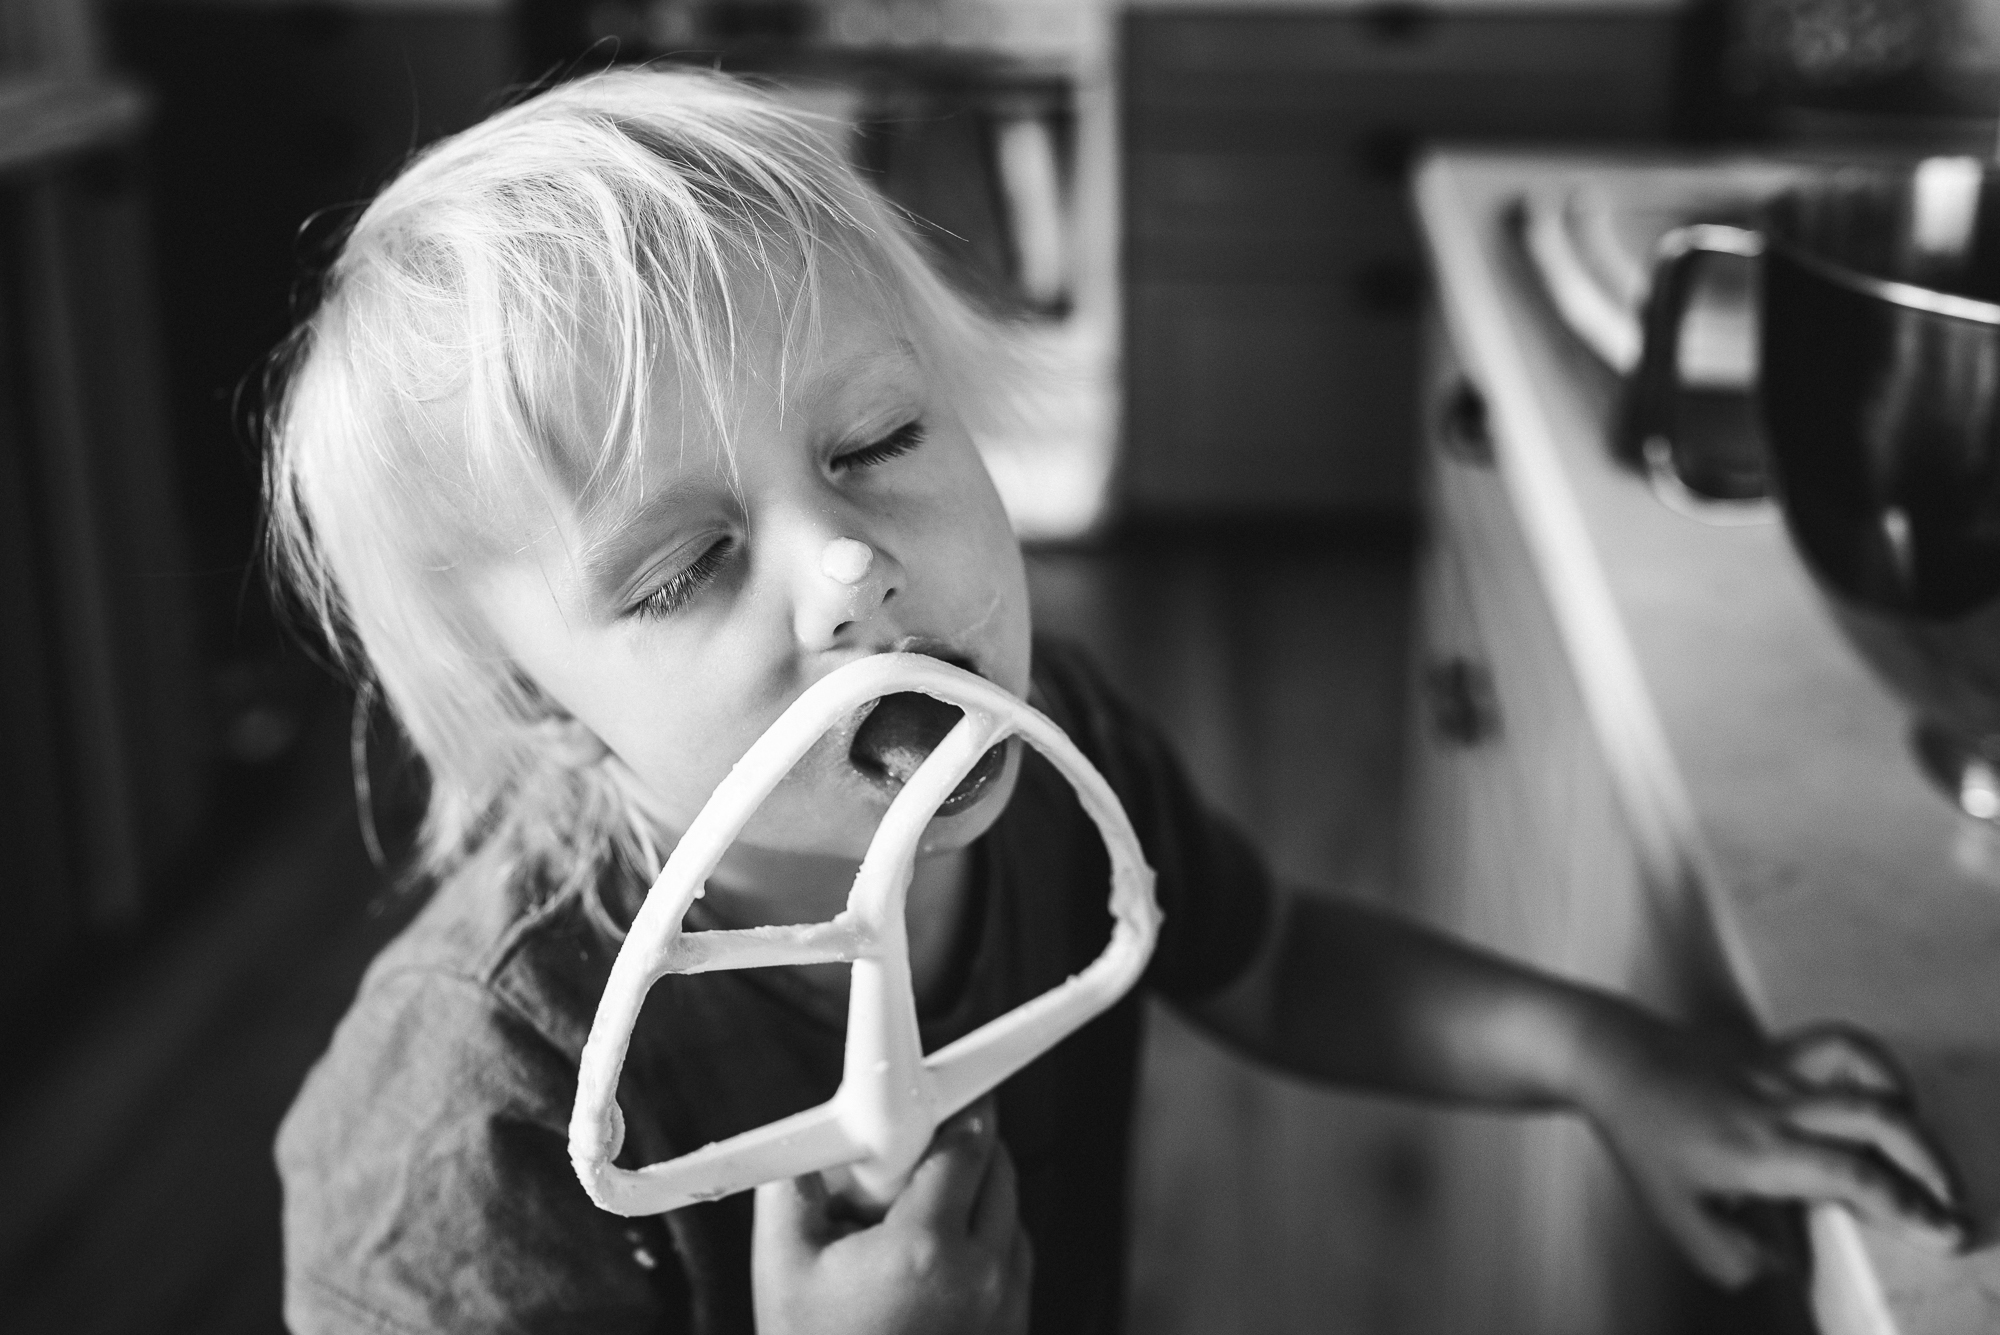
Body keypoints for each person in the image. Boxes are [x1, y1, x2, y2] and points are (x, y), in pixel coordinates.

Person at [268, 69, 1963, 1335]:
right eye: (679, 569)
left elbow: (1273, 958)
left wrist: (1608, 1058)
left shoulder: (1054, 751)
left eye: (876, 447)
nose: (851, 566)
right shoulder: (472, 1117)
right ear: (540, 704)